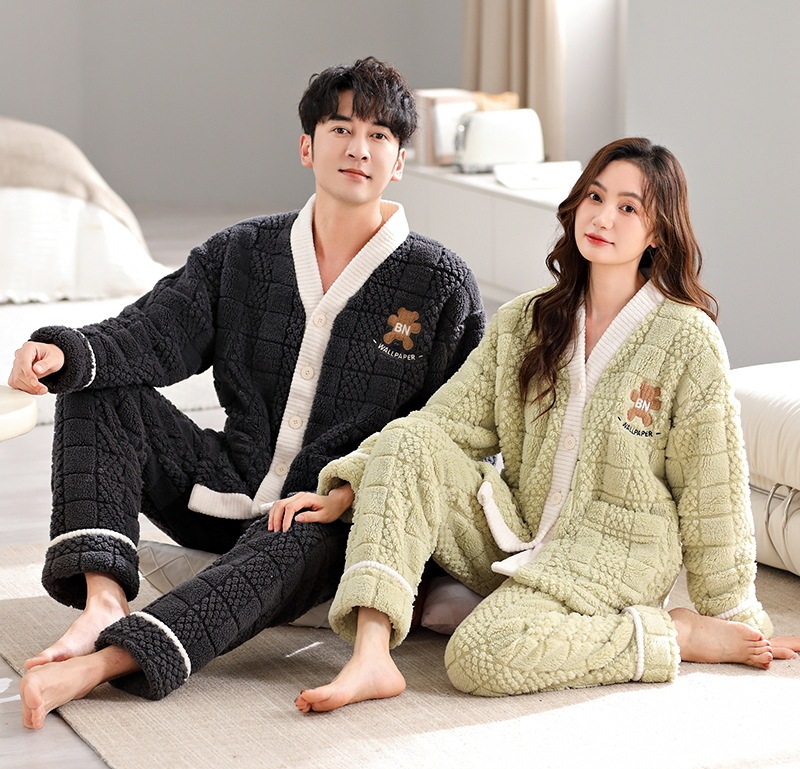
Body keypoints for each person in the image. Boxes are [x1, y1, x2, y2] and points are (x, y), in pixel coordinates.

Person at [12, 57, 487, 729]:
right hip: (225, 489)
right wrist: (64, 351)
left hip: (331, 518)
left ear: (400, 161)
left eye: (379, 135)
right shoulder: (243, 253)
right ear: (307, 147)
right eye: (341, 129)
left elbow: (452, 430)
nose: (359, 148)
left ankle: (105, 663)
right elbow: (155, 331)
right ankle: (102, 603)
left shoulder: (439, 283)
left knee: (296, 541)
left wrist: (349, 492)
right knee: (94, 384)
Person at [289, 137, 800, 713]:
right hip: (519, 529)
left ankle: (670, 634)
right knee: (410, 439)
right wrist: (349, 486)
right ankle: (371, 655)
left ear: (658, 232)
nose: (602, 218)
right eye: (595, 197)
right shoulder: (526, 320)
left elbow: (714, 490)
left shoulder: (687, 339)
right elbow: (445, 423)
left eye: (628, 208)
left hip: (613, 555)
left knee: (480, 655)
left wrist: (732, 616)